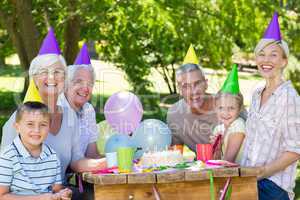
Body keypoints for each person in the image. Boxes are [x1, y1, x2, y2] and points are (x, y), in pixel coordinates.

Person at [0, 28, 107, 187]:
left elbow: (77, 161)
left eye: (57, 72)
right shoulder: (19, 120)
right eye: (44, 71)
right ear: (34, 79)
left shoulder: (70, 116)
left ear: (64, 79)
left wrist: (110, 162)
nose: (51, 77)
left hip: (61, 193)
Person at [241, 12, 300, 200]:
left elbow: (295, 149)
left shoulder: (290, 98)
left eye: (273, 55)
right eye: (262, 54)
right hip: (249, 181)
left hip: (273, 187)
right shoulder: (257, 93)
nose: (266, 61)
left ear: (284, 61)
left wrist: (264, 172)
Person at [0, 102, 72, 200]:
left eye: (43, 124)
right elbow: (2, 196)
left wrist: (62, 194)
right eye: (30, 124)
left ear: (49, 128)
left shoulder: (52, 156)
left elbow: (56, 190)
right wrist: (40, 198)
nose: (37, 130)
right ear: (17, 127)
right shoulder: (8, 156)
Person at [58, 44, 100, 158]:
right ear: (66, 84)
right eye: (79, 82)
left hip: (81, 171)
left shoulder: (88, 110)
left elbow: (92, 154)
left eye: (90, 84)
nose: (85, 88)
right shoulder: (57, 108)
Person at [210, 65, 245, 164]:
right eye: (221, 108)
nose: (225, 113)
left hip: (240, 176)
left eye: (231, 108)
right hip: (226, 176)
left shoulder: (238, 125)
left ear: (240, 109)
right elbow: (215, 161)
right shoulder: (218, 129)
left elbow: (228, 162)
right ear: (215, 108)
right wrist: (217, 147)